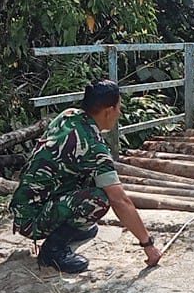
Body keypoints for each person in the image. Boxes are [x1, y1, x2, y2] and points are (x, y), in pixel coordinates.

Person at [10, 80, 163, 273]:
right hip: (33, 220)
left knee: (93, 180)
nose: (119, 113)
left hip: (26, 206)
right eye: (119, 108)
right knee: (99, 199)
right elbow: (120, 200)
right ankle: (52, 251)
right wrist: (148, 244)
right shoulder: (93, 147)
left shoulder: (69, 115)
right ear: (108, 110)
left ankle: (70, 229)